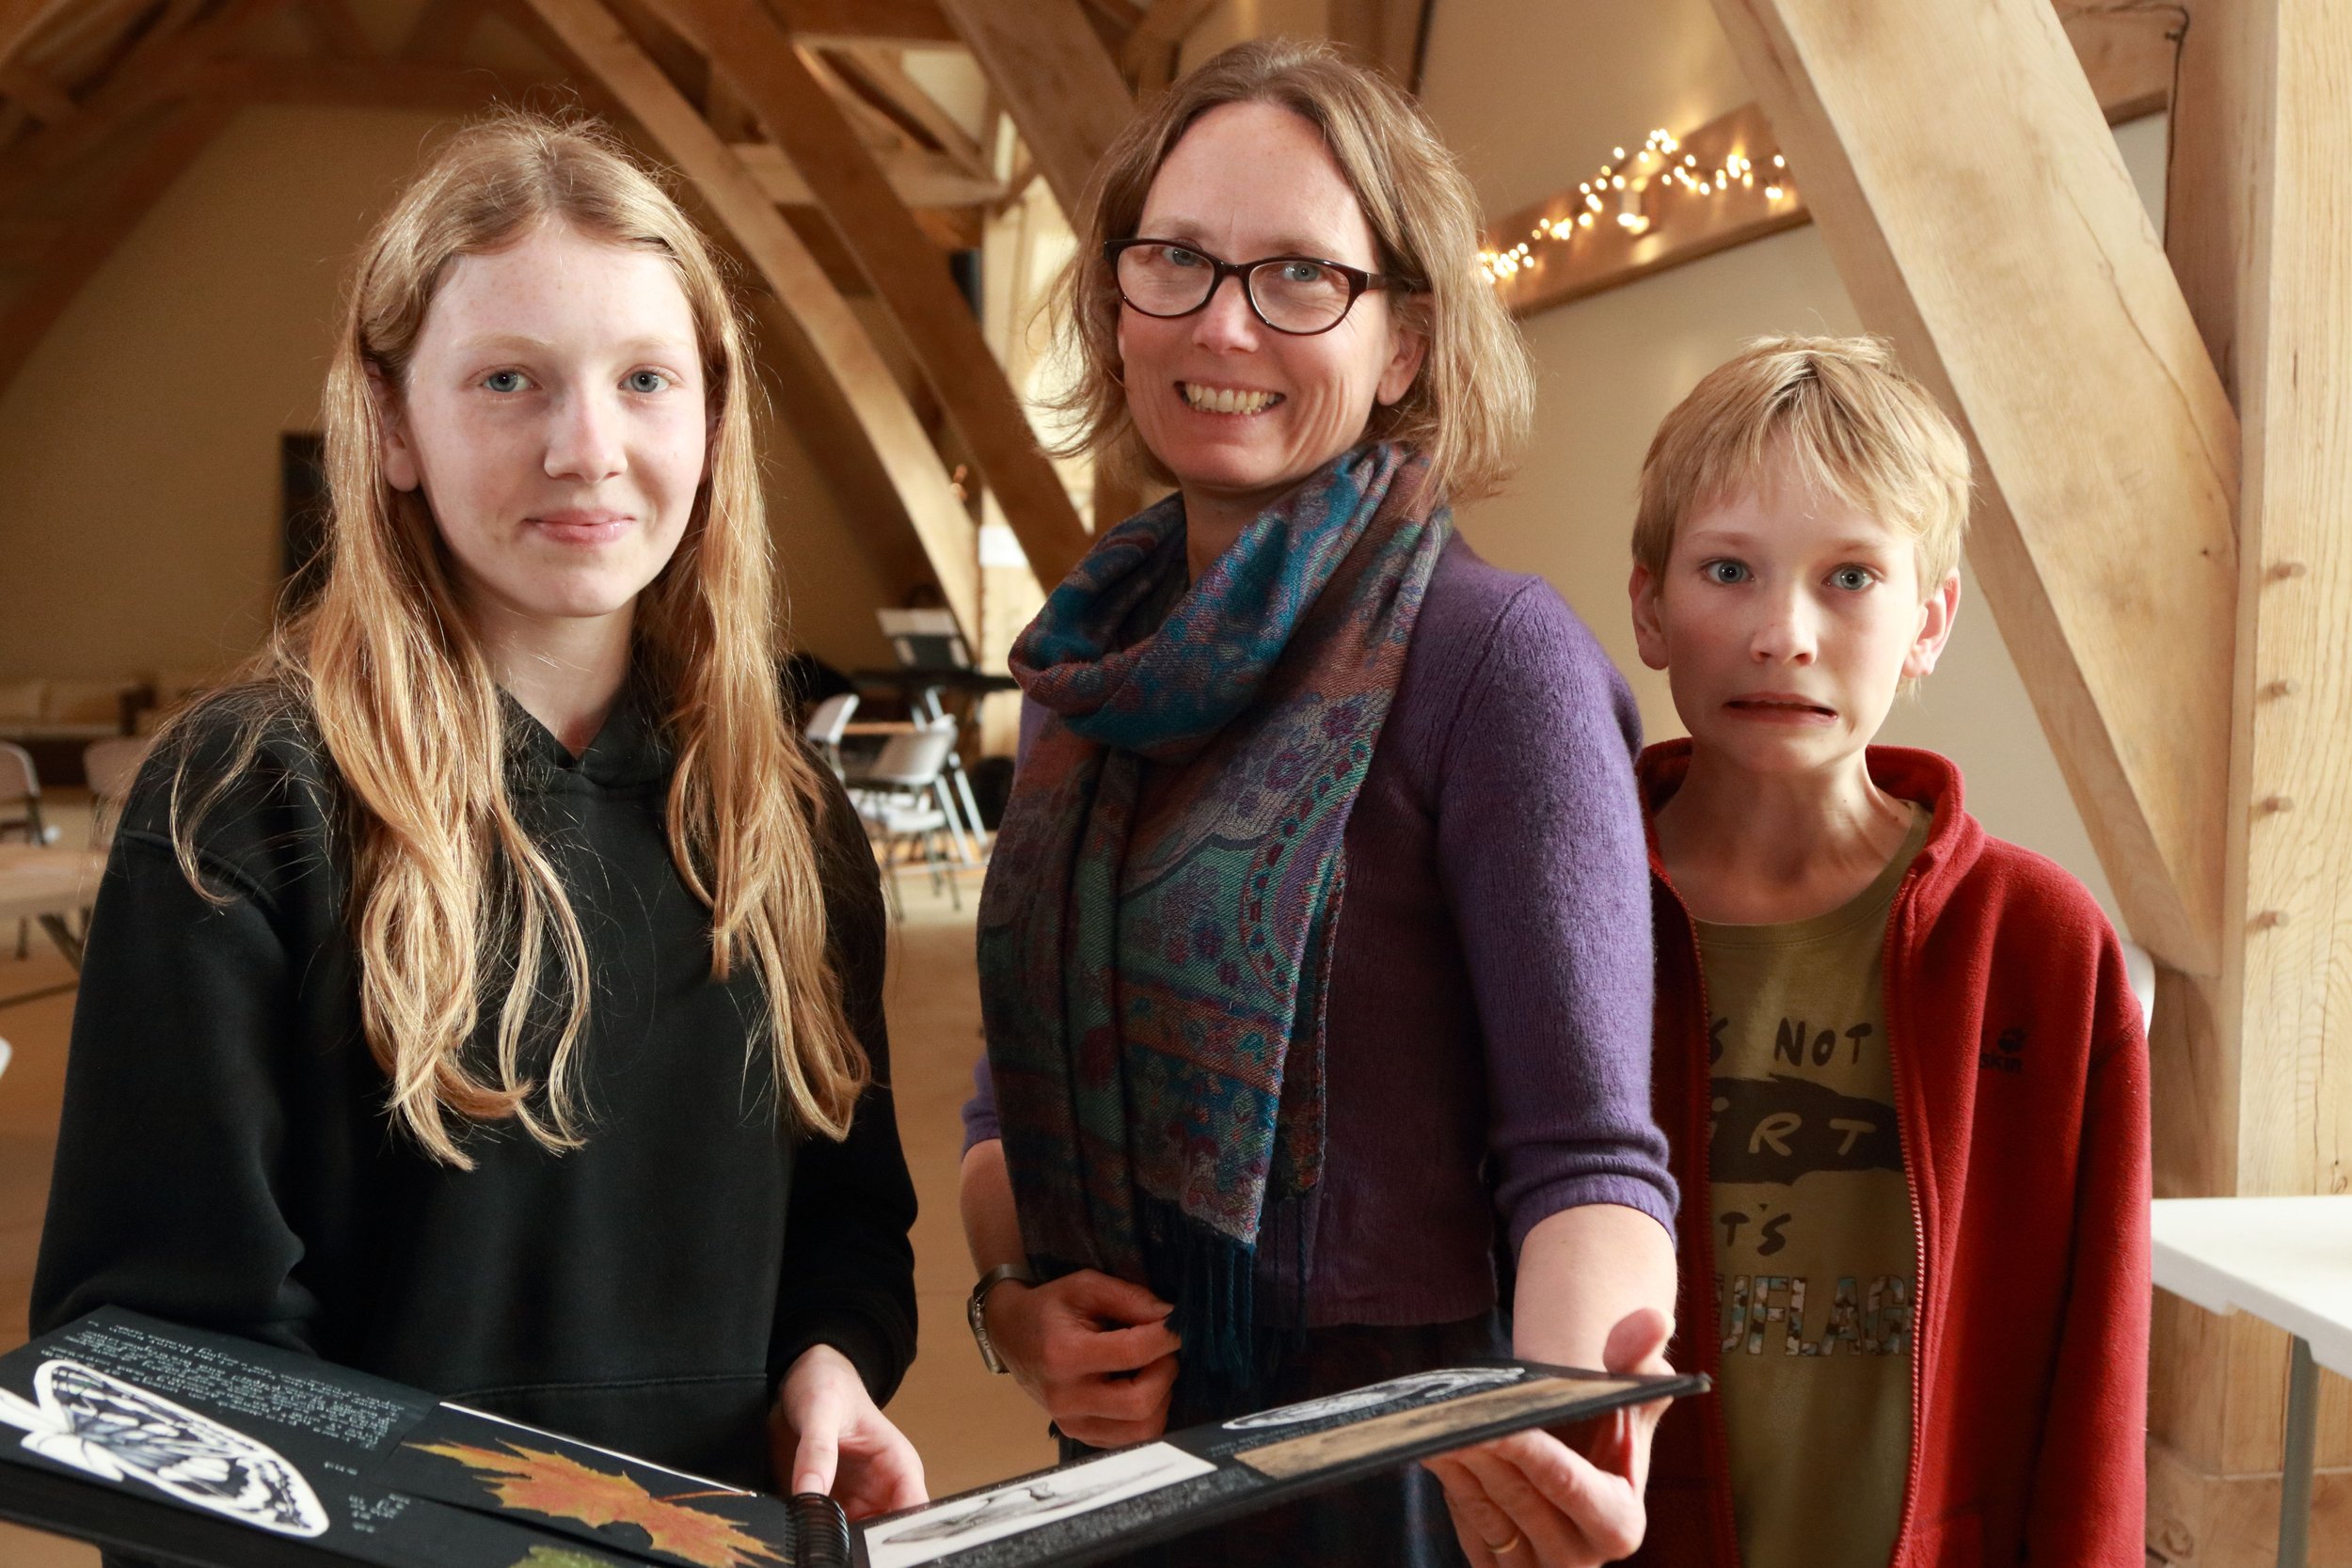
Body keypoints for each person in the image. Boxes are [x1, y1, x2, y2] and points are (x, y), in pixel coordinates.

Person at [32, 114, 924, 1518]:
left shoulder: (786, 818)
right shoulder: (246, 804)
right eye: (509, 380)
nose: (587, 448)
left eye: (645, 380)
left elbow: (848, 1221)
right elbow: (163, 1362)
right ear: (391, 425)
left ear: (711, 419)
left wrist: (833, 1359)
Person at [959, 39, 1679, 1568]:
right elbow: (1004, 1085)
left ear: (1405, 341)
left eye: (1301, 276)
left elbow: (1588, 1156)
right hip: (1117, 1476)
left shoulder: (1496, 660)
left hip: (1395, 1484)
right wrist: (1022, 1313)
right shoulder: (1089, 663)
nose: (1225, 322)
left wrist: (1569, 1437)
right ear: (1118, 300)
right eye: (1180, 263)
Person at [1622, 337, 2150, 1567]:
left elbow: (2103, 1360)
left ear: (1929, 622)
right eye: (1728, 570)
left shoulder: (2043, 945)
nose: (1783, 633)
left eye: (1850, 576)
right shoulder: (1560, 912)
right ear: (1650, 604)